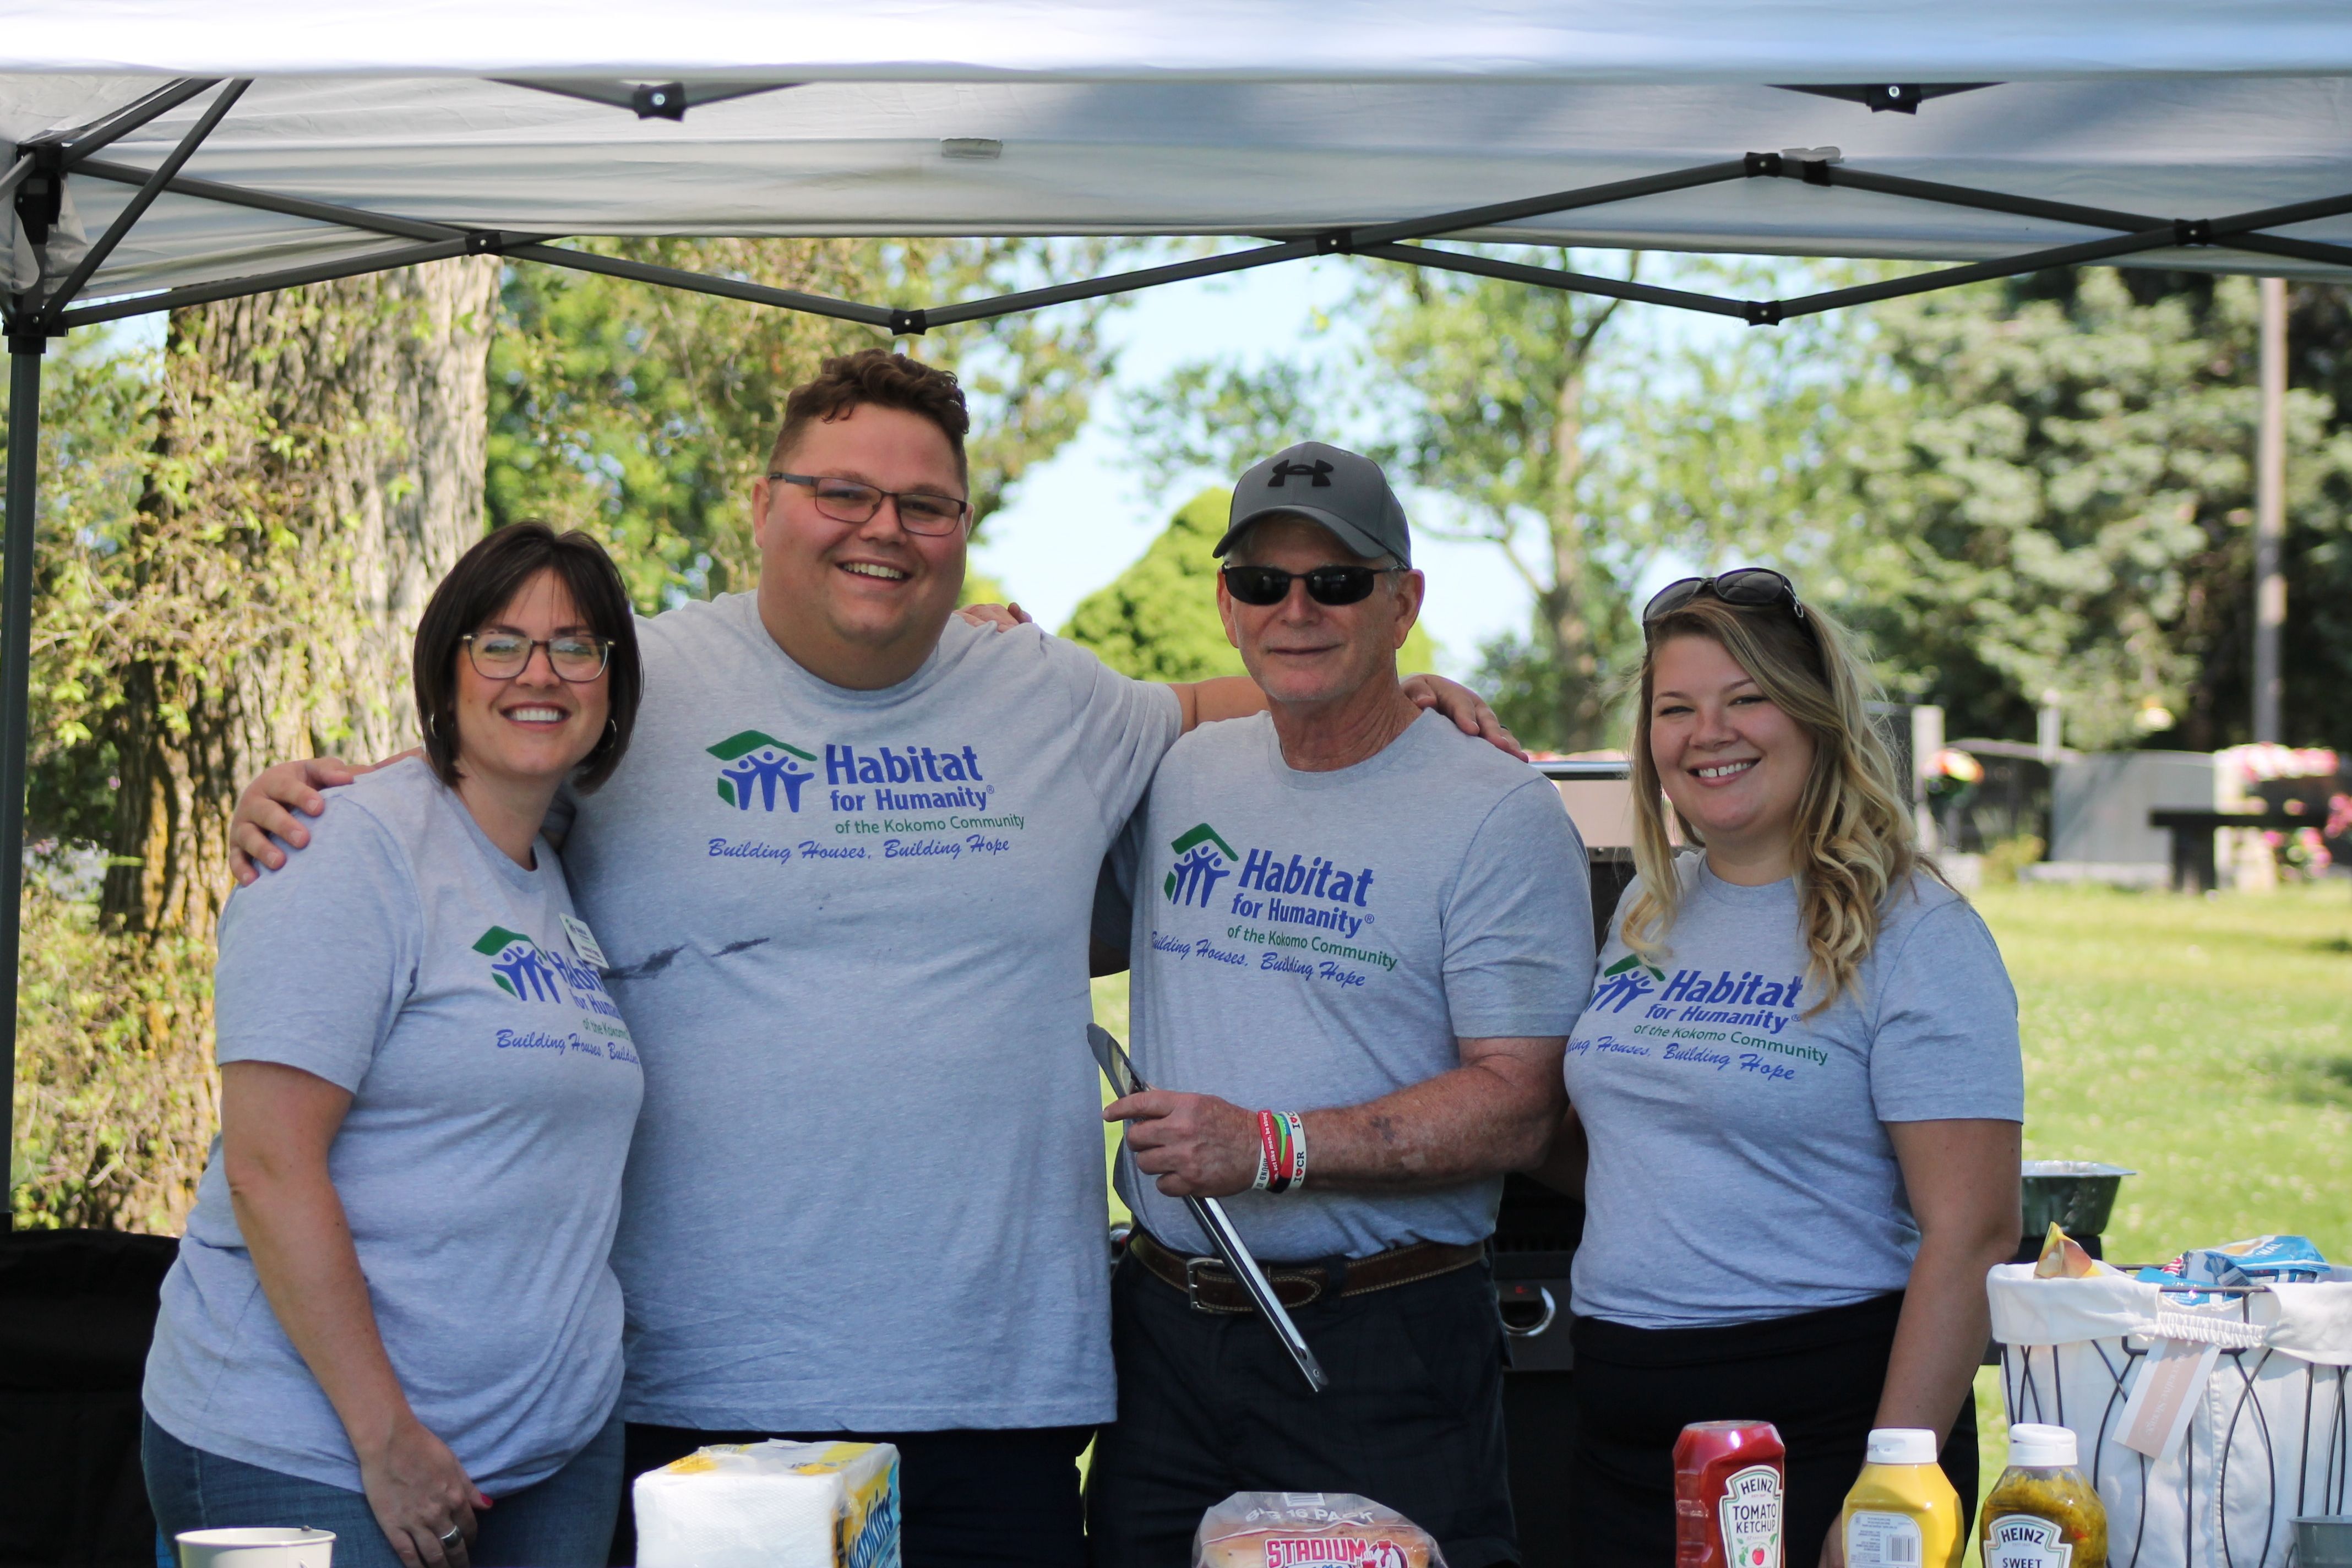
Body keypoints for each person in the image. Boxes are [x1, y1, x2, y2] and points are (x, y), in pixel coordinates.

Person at [227, 352, 1516, 1568]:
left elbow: (1218, 698)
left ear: (963, 525)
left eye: (923, 503)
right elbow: (474, 782)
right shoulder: (636, 687)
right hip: (693, 1393)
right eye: (840, 492)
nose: (880, 528)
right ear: (765, 505)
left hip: (999, 1394)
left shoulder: (1052, 694)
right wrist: (310, 796)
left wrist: (1409, 688)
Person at [1085, 444, 1595, 1567]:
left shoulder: (1497, 808)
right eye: (1264, 582)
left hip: (1378, 1340)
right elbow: (1048, 932)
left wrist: (1268, 1145)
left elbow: (1519, 1108)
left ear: (1405, 600)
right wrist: (981, 670)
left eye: (1340, 581)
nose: (1298, 608)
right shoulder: (1186, 776)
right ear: (1228, 605)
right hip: (1164, 1334)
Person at [143, 524, 647, 1568]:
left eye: (577, 646)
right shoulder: (346, 847)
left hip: (543, 1459)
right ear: (445, 665)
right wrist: (387, 1440)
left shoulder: (553, 863)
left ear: (612, 684)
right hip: (308, 1451)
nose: (539, 673)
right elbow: (271, 1165)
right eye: (500, 644)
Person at [1546, 569, 2023, 1568]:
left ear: (1815, 718)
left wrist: (1894, 1477)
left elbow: (1973, 1228)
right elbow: (1637, 1147)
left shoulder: (1918, 931)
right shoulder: (1647, 907)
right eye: (1676, 709)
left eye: (1746, 699)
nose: (1706, 733)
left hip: (1822, 1432)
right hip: (1623, 1436)